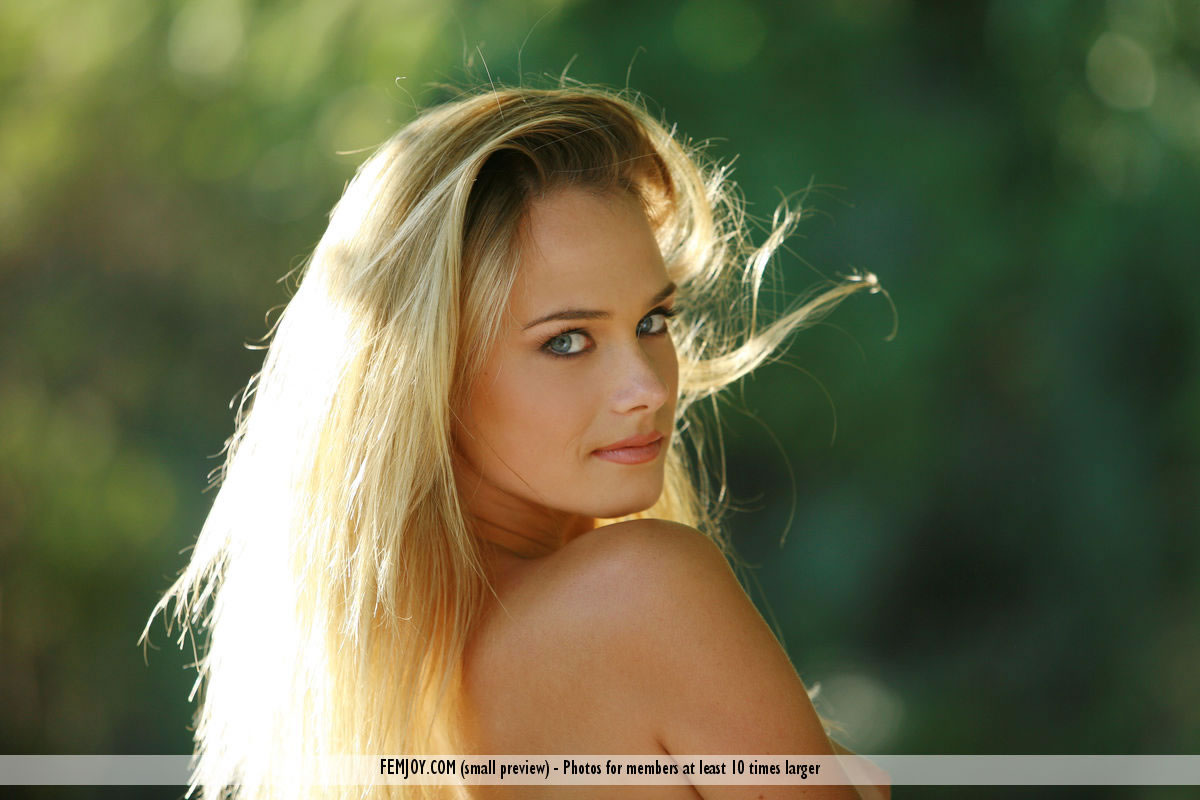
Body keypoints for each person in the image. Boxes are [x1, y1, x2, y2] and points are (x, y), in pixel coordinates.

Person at [143, 83, 891, 799]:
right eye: (567, 341)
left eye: (652, 322)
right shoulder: (642, 591)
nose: (649, 387)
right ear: (430, 376)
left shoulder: (380, 705)